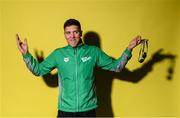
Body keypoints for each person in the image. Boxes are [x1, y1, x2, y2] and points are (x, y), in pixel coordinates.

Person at [16, 19, 142, 117]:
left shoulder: (93, 52)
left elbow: (117, 67)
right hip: (65, 111)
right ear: (64, 35)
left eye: (75, 32)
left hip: (88, 111)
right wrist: (26, 54)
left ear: (81, 33)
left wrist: (129, 49)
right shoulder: (58, 54)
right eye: (68, 33)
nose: (72, 36)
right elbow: (38, 70)